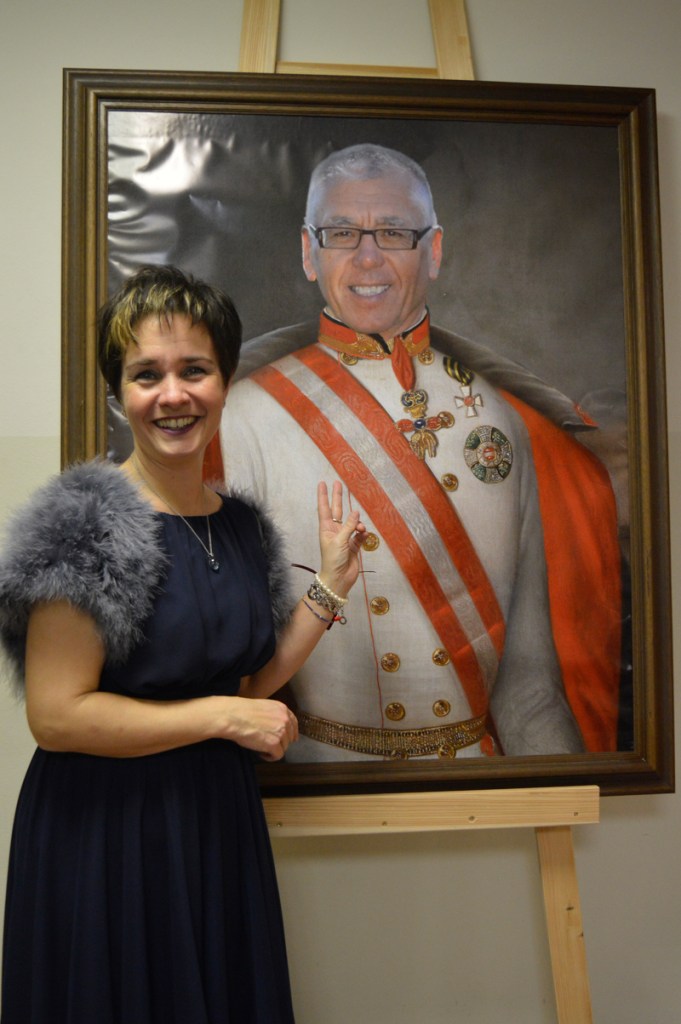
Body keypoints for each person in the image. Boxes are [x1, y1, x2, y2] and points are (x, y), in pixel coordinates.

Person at [0, 264, 365, 1023]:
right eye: (147, 375)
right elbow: (57, 716)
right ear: (119, 394)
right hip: (106, 837)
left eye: (194, 370)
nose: (173, 395)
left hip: (215, 824)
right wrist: (224, 720)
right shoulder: (82, 525)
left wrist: (328, 589)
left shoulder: (241, 527)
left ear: (225, 381)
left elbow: (244, 687)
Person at [220, 143, 622, 762]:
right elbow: (231, 682)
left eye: (394, 232)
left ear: (433, 250)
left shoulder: (502, 419)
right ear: (308, 251)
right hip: (317, 788)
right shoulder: (242, 418)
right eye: (342, 232)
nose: (368, 256)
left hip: (471, 788)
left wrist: (569, 798)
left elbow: (529, 690)